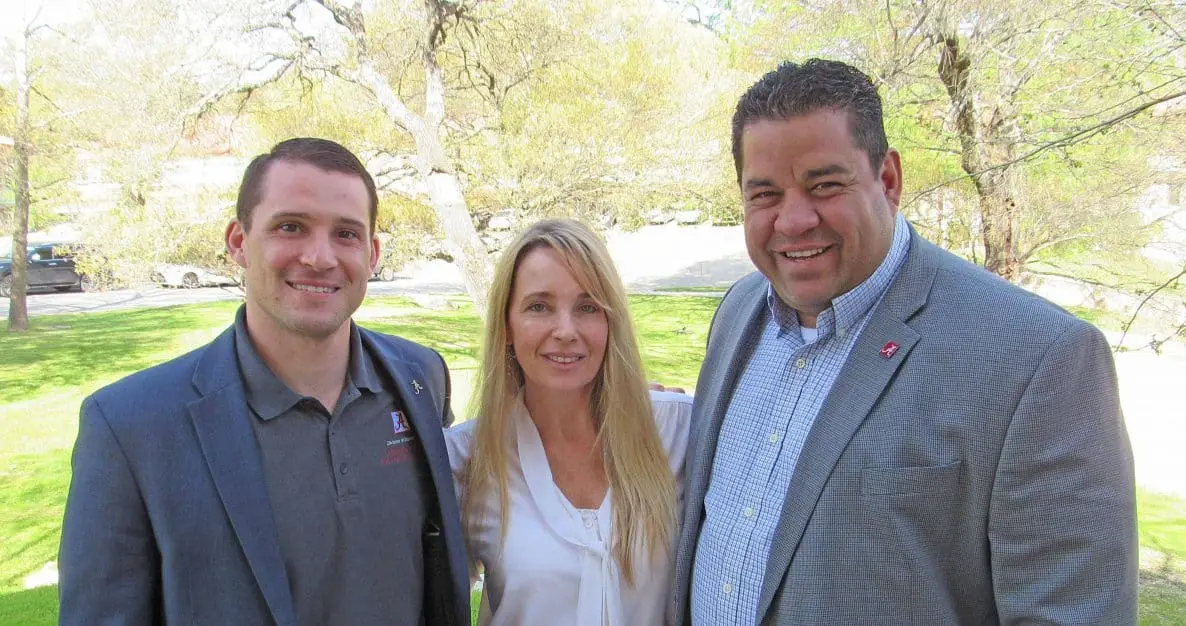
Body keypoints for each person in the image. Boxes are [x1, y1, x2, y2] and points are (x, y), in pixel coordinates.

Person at [671, 59, 1137, 625]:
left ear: (888, 180)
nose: (793, 220)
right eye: (764, 195)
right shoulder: (738, 312)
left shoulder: (1042, 359)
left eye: (824, 185)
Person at [59, 137, 471, 626]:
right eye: (290, 227)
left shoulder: (420, 378)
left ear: (372, 252)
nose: (320, 257)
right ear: (238, 242)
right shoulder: (131, 426)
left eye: (346, 233)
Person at [444, 218, 692, 625]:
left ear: (610, 321)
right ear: (506, 325)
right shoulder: (465, 459)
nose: (565, 330)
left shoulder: (677, 432)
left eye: (588, 307)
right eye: (539, 307)